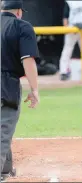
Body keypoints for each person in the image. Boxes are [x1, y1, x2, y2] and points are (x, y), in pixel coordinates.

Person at [1, 0, 40, 181]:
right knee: (3, 129)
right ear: (18, 11)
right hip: (6, 84)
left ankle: (5, 169)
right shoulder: (21, 26)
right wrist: (34, 89)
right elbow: (28, 60)